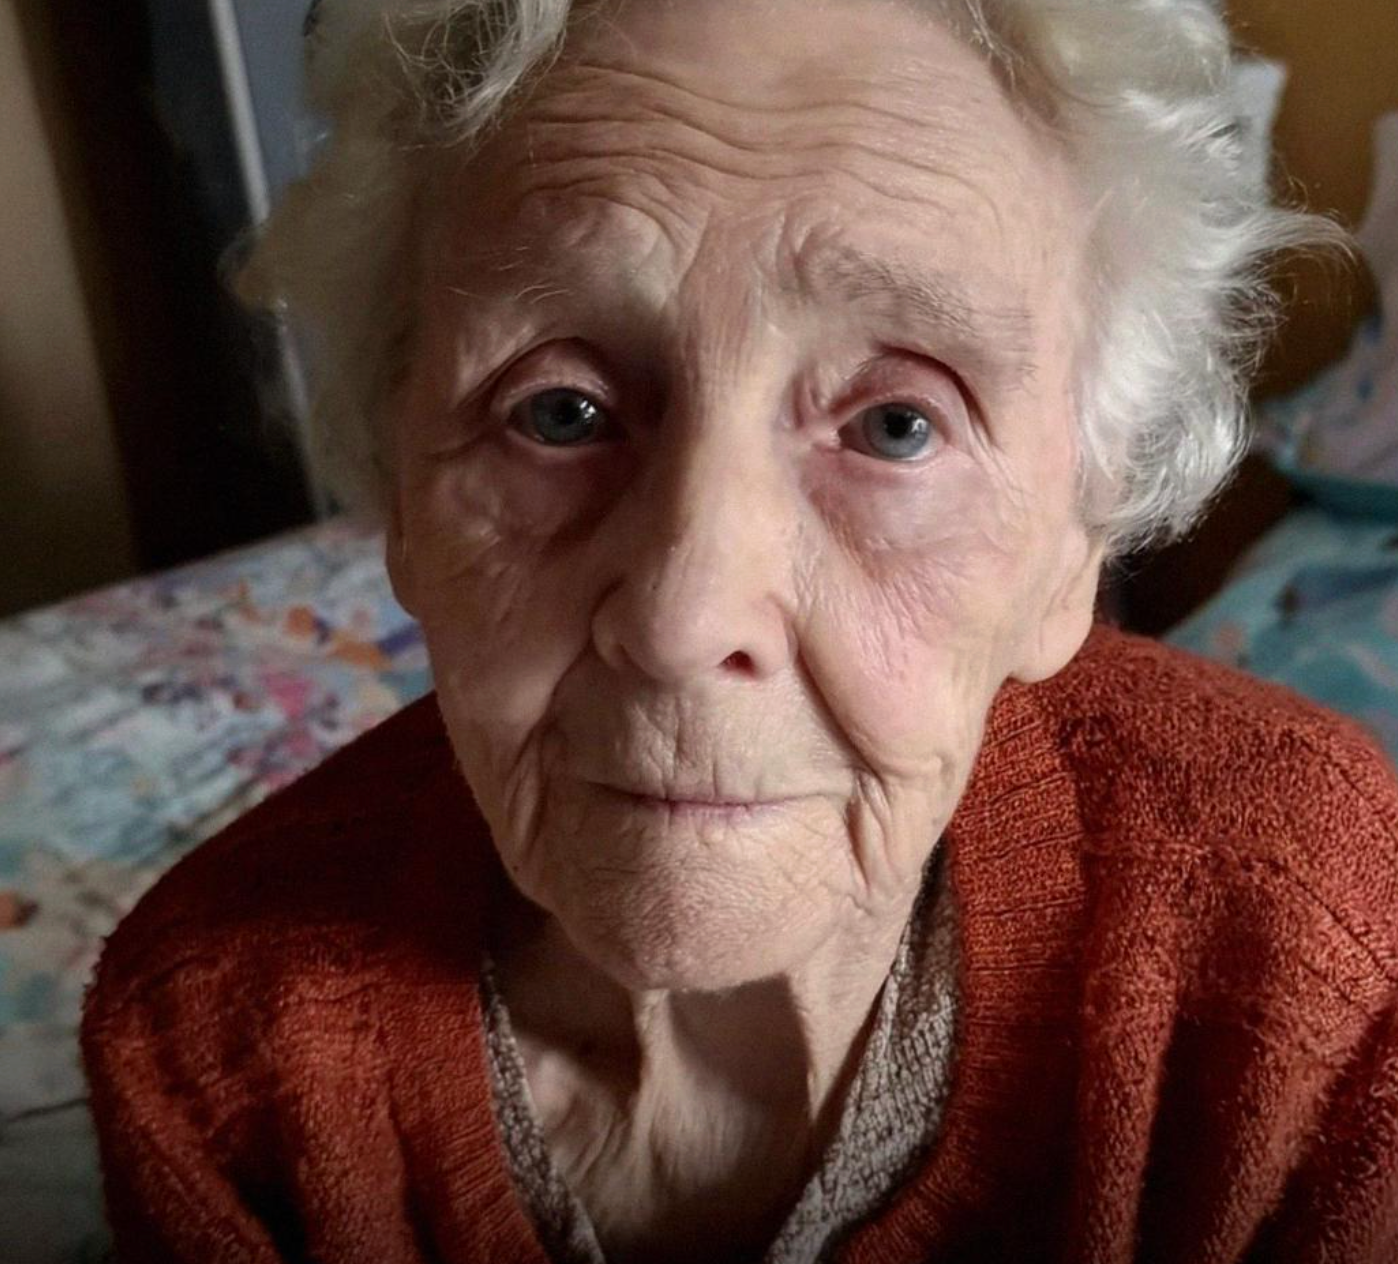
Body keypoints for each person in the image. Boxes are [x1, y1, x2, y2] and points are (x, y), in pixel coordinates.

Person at [81, 0, 1398, 1261]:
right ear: (402, 501)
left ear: (1073, 555)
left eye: (897, 425)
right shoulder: (216, 1044)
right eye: (558, 411)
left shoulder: (1308, 946)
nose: (679, 618)